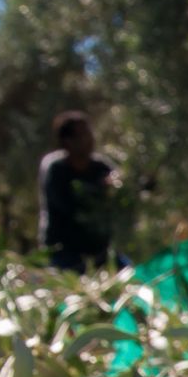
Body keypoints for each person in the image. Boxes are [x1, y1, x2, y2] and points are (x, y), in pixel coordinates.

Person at [38, 111, 118, 271]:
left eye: (89, 133)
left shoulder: (102, 167)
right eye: (83, 134)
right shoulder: (55, 169)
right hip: (63, 253)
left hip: (100, 251)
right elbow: (69, 206)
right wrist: (99, 189)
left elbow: (120, 195)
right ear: (67, 141)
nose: (90, 139)